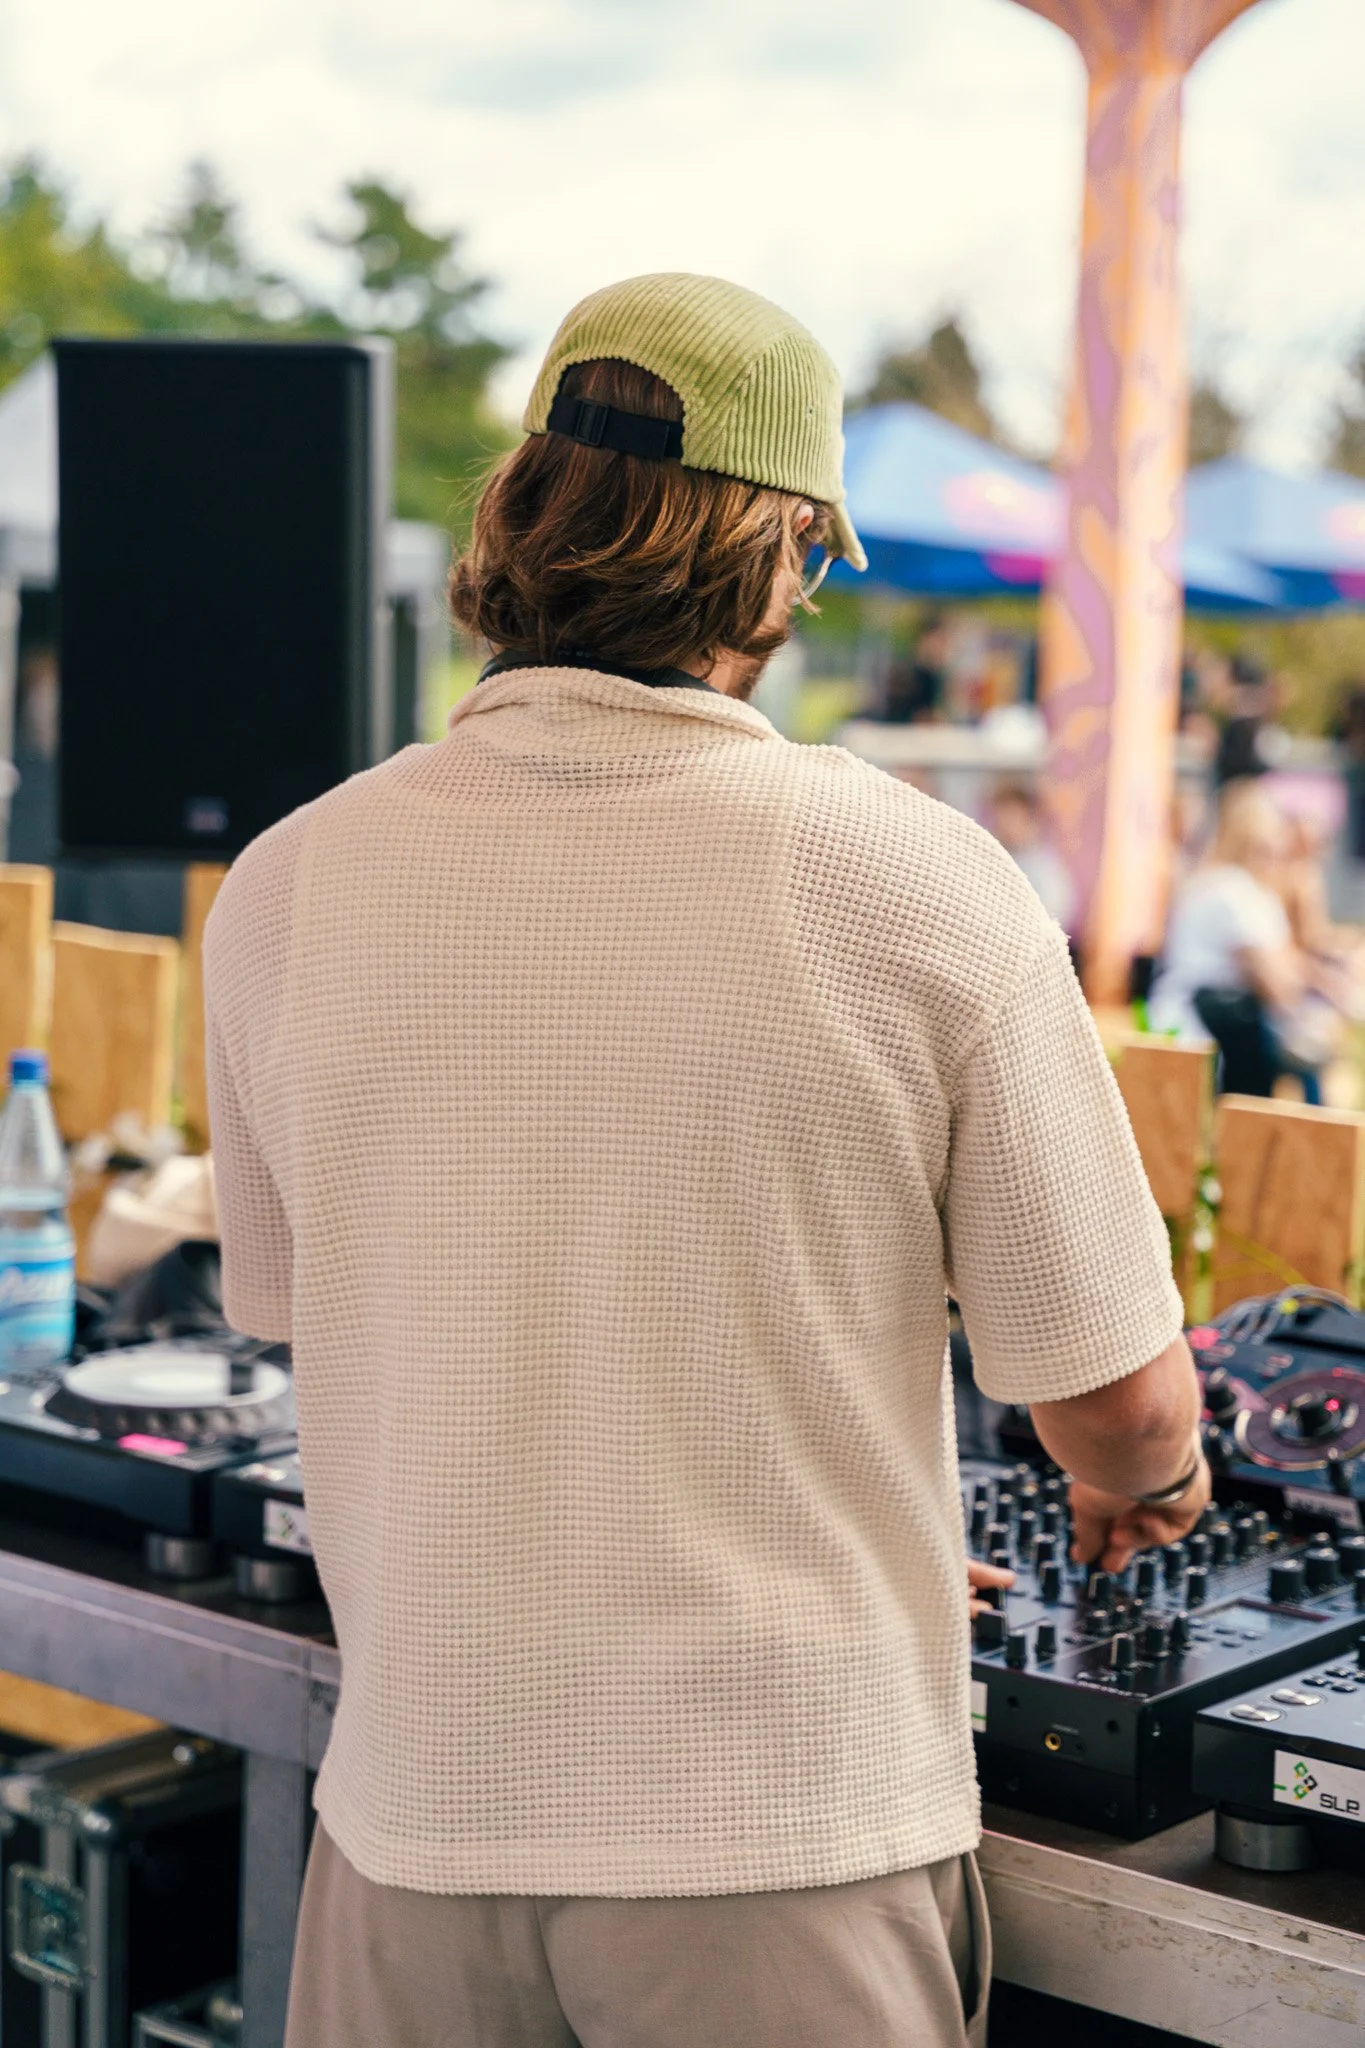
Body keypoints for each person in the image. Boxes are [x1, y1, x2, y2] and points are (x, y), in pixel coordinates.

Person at [205, 272, 1206, 2048]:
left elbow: (339, 1314)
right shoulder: (912, 874)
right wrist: (1156, 1487)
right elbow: (1116, 1407)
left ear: (519, 511)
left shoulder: (289, 876)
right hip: (779, 1841)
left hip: (411, 1821)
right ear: (788, 556)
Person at [1148, 781, 1323, 1098]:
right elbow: (1275, 983)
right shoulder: (1237, 893)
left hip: (1185, 1023)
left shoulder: (1211, 885)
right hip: (1212, 1030)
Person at [988, 780, 1076, 932]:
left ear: (1030, 820)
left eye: (1013, 818)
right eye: (1000, 818)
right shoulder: (996, 860)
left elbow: (1056, 918)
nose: (1005, 826)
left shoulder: (1046, 868)